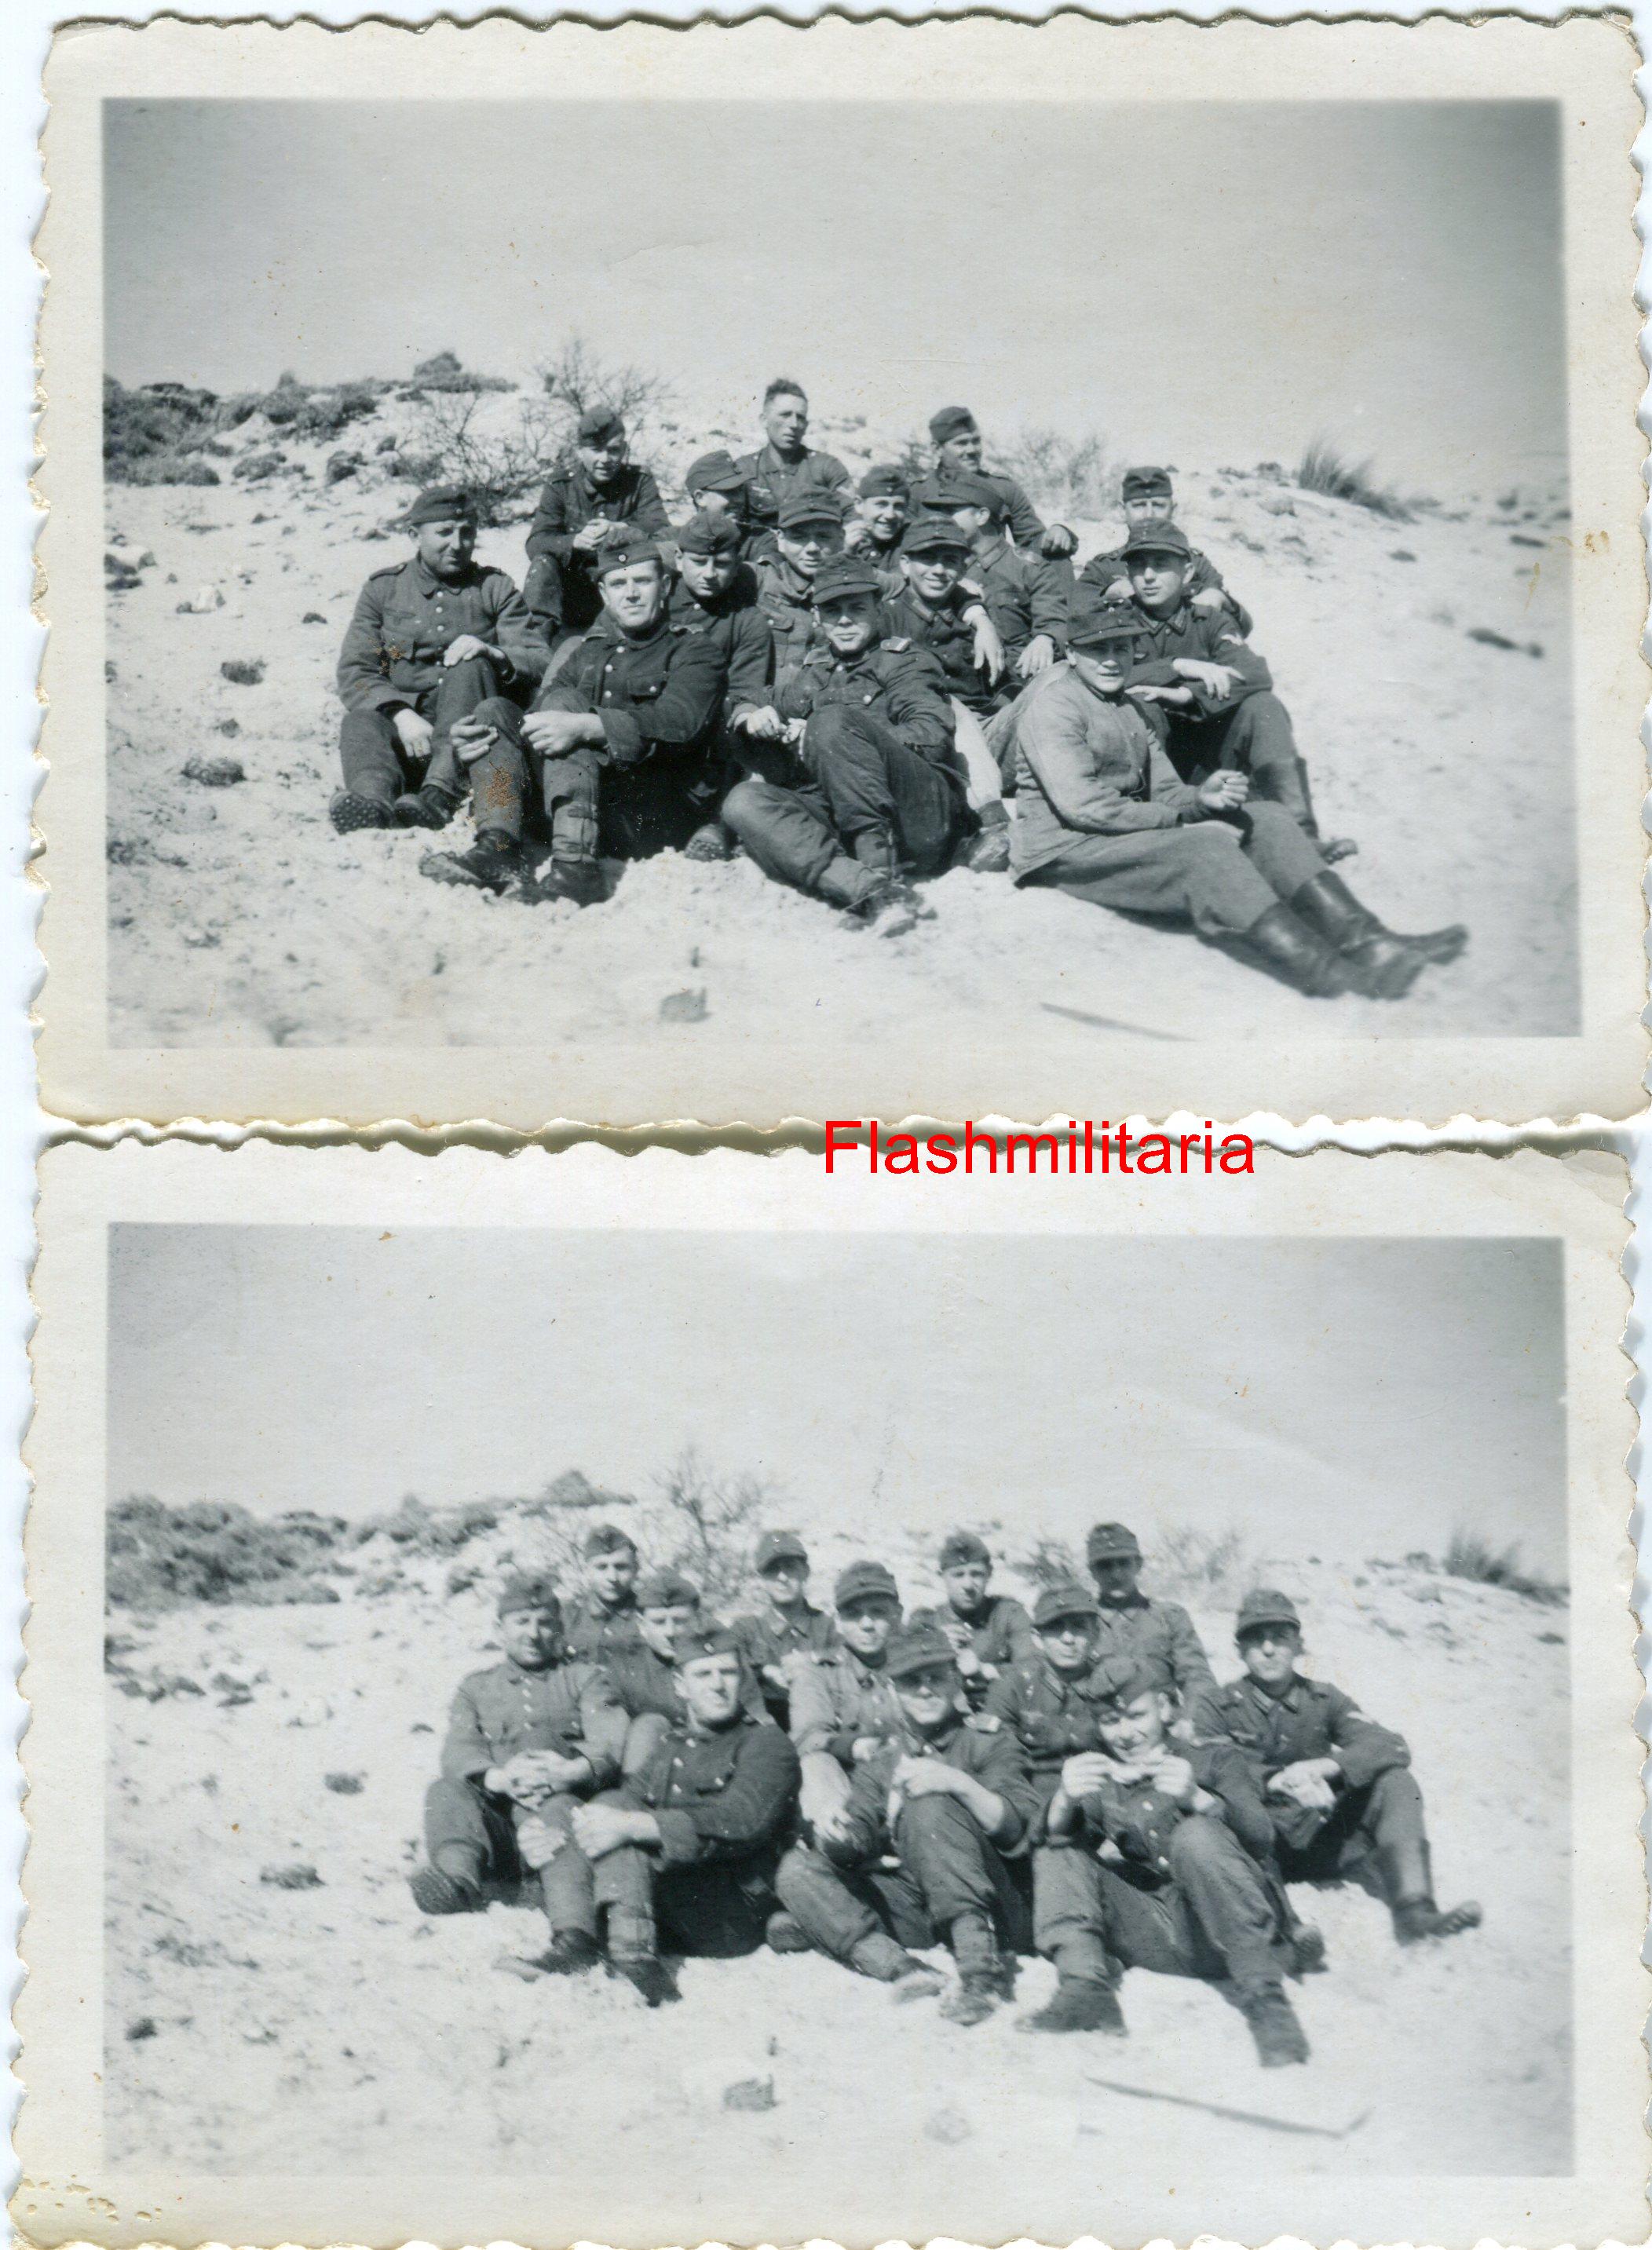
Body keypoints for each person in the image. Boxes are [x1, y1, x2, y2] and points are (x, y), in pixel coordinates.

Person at [1002, 591, 1468, 1000]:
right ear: (1070, 652)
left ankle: (1371, 940)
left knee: (1264, 816)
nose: (1111, 660)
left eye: (1120, 648)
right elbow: (1082, 806)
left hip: (1111, 833)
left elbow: (1166, 789)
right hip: (1066, 849)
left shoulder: (1126, 707)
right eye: (1096, 649)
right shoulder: (1054, 707)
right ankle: (1330, 972)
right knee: (1205, 846)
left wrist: (1205, 797)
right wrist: (1184, 821)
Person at [1026, 1653, 1309, 2064]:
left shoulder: (1213, 1759)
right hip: (1171, 1935)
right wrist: (1064, 1800)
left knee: (1195, 1836)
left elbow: (1262, 1839)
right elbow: (1054, 1848)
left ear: (1165, 1706)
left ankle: (1268, 2006)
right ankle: (1084, 1989)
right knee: (1060, 1848)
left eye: (1137, 1716)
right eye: (1110, 1721)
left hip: (1247, 1936)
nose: (1124, 1734)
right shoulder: (1106, 1775)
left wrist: (1200, 1800)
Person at [424, 531, 729, 904]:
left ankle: (576, 869)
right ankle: (498, 847)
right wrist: (479, 740)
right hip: (589, 799)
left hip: (650, 811)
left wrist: (590, 726)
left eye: (642, 581)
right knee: (496, 713)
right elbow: (541, 719)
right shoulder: (590, 650)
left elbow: (680, 722)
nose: (630, 594)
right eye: (618, 584)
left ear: (664, 586)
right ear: (604, 594)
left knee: (568, 708)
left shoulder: (695, 650)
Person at [775, 1622, 1039, 2022]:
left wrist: (959, 1784)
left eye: (936, 1677)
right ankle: (901, 1967)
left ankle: (980, 1976)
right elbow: (860, 1827)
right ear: (893, 1690)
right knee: (796, 1871)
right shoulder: (885, 1756)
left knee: (928, 1804)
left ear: (956, 1681)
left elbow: (1015, 1827)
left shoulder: (988, 1740)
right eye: (911, 1681)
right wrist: (837, 1833)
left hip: (994, 1906)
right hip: (921, 1905)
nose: (926, 1690)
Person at [1193, 1587, 1482, 1945]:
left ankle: (1416, 1912)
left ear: (1299, 1645)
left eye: (1280, 1638)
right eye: (1256, 1639)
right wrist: (1276, 1779)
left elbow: (1389, 1745)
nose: (1268, 1649)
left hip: (1324, 1839)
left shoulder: (1325, 1698)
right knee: (1215, 1811)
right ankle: (1284, 1929)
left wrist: (1327, 1767)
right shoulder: (1216, 1705)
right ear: (1239, 1649)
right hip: (1263, 1846)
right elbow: (1208, 1764)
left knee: (1396, 1781)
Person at [720, 553, 970, 933]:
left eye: (857, 608)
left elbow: (932, 737)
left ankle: (878, 866)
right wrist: (750, 715)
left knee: (831, 722)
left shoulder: (904, 662)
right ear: (818, 618)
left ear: (878, 609)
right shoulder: (816, 672)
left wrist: (837, 737)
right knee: (743, 802)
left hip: (918, 813)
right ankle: (868, 889)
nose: (846, 620)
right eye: (833, 611)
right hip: (846, 813)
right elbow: (750, 697)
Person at [408, 1574, 630, 1978]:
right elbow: (459, 1749)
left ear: (560, 1629)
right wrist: (500, 1778)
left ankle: (574, 1938)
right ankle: (459, 1882)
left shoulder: (585, 1678)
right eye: (521, 1623)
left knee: (559, 1806)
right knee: (446, 1791)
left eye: (545, 1623)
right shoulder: (476, 1688)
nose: (534, 1634)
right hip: (503, 1827)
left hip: (562, 1816)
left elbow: (610, 1740)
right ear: (499, 1630)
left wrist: (569, 1772)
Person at [570, 1625, 802, 2003]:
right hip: (666, 1902)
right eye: (703, 1674)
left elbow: (742, 1820)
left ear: (742, 1679)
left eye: (727, 1672)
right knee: (610, 1807)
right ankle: (600, 1944)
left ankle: (632, 1958)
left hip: (728, 1913)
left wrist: (636, 1825)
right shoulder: (670, 1744)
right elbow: (625, 1800)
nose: (717, 1685)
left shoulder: (766, 1743)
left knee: (622, 1822)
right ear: (681, 1685)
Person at [331, 485, 549, 837]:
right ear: (415, 535)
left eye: (467, 533)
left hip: (468, 743)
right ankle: (372, 801)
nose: (458, 544)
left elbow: (539, 660)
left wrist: (494, 653)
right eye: (444, 533)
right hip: (407, 733)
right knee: (359, 720)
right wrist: (401, 715)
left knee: (470, 662)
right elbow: (356, 670)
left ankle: (440, 794)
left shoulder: (495, 587)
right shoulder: (383, 590)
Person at [1117, 522, 1324, 842]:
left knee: (1264, 706)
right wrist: (1176, 666)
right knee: (1141, 706)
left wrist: (1187, 694)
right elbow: (1099, 671)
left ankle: (1302, 834)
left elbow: (1254, 674)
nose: (1147, 576)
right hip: (1151, 767)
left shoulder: (1210, 620)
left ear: (1187, 573)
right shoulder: (1116, 620)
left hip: (1210, 758)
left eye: (1160, 565)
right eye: (1138, 566)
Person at [522, 406, 672, 637]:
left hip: (623, 586)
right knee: (543, 563)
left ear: (623, 449)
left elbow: (661, 527)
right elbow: (536, 543)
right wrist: (575, 542)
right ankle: (536, 644)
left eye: (613, 450)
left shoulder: (639, 481)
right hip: (574, 590)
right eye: (596, 450)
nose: (605, 459)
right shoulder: (560, 486)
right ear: (580, 451)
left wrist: (622, 529)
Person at [787, 1558, 907, 1844]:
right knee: (815, 1763)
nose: (867, 1624)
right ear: (838, 1621)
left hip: (906, 1778)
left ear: (898, 1615)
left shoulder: (918, 1669)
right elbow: (808, 1736)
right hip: (847, 1782)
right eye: (854, 1614)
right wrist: (852, 1746)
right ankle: (842, 1842)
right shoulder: (818, 1671)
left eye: (878, 1612)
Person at [936, 471, 1070, 685]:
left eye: (951, 511)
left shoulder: (1029, 568)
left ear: (981, 516)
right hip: (961, 683)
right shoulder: (941, 569)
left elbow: (1054, 618)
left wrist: (1046, 638)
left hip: (1018, 681)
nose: (942, 520)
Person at [1079, 466, 1252, 633]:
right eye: (1139, 505)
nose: (1149, 513)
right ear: (1122, 510)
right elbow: (1075, 617)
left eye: (1158, 505)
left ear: (1173, 510)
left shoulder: (1195, 563)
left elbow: (1239, 626)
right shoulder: (1103, 567)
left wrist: (1222, 599)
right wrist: (1109, 594)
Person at [1084, 1521, 1217, 1704]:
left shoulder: (1170, 1617)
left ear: (1138, 1564)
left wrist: (1189, 1720)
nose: (1116, 1574)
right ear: (1092, 1571)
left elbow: (1197, 1678)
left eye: (1124, 1563)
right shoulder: (1082, 1623)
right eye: (1105, 1565)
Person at [669, 510, 774, 737]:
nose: (709, 574)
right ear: (679, 559)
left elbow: (745, 690)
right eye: (698, 562)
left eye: (721, 564)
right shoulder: (654, 599)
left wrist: (746, 713)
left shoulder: (747, 620)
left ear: (737, 565)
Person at [927, 405, 1076, 558]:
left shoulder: (1003, 487)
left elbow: (1031, 540)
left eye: (976, 441)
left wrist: (1056, 534)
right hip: (936, 574)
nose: (972, 450)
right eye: (962, 443)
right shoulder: (919, 491)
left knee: (1058, 557)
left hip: (991, 575)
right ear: (937, 448)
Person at [908, 1530, 1036, 1706]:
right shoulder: (925, 1621)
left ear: (989, 1574)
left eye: (976, 1574)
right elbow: (905, 1677)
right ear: (941, 1576)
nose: (968, 1585)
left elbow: (1033, 1669)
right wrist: (937, 1645)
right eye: (958, 1575)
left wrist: (984, 1670)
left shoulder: (1008, 1614)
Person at [731, 1530, 837, 1728]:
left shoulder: (826, 1626)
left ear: (805, 1572)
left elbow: (844, 1667)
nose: (782, 1577)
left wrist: (809, 1663)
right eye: (773, 1570)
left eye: (790, 1568)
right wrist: (763, 1671)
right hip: (765, 1729)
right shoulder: (746, 1630)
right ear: (761, 1578)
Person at [733, 376, 853, 549]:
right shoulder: (744, 469)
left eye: (800, 418)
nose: (794, 424)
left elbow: (852, 518)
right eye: (785, 415)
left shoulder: (827, 467)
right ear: (764, 420)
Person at [754, 493, 846, 673]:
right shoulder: (756, 579)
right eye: (799, 537)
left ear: (841, 538)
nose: (812, 548)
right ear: (780, 539)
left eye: (824, 537)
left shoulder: (860, 581)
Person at [561, 1524, 645, 1661]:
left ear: (636, 1570)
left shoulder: (649, 1613)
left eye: (621, 1567)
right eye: (602, 1567)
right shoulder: (568, 1618)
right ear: (586, 1570)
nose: (612, 1577)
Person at [843, 464, 912, 588]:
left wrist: (847, 563)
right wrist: (844, 553)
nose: (890, 515)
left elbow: (899, 585)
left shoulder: (911, 539)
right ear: (859, 504)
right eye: (881, 504)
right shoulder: (840, 539)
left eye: (898, 506)